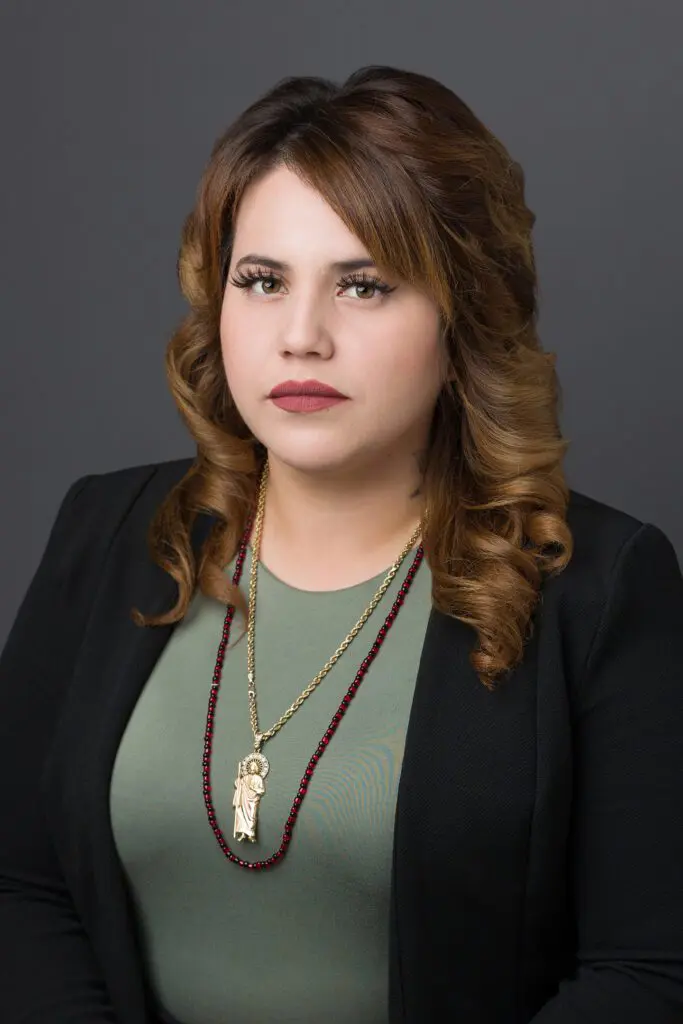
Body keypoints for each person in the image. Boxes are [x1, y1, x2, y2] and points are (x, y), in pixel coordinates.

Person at [1, 63, 682, 1024]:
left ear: (462, 319)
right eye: (262, 280)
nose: (300, 336)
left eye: (363, 286)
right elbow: (18, 889)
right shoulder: (108, 533)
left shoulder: (599, 585)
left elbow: (650, 973)